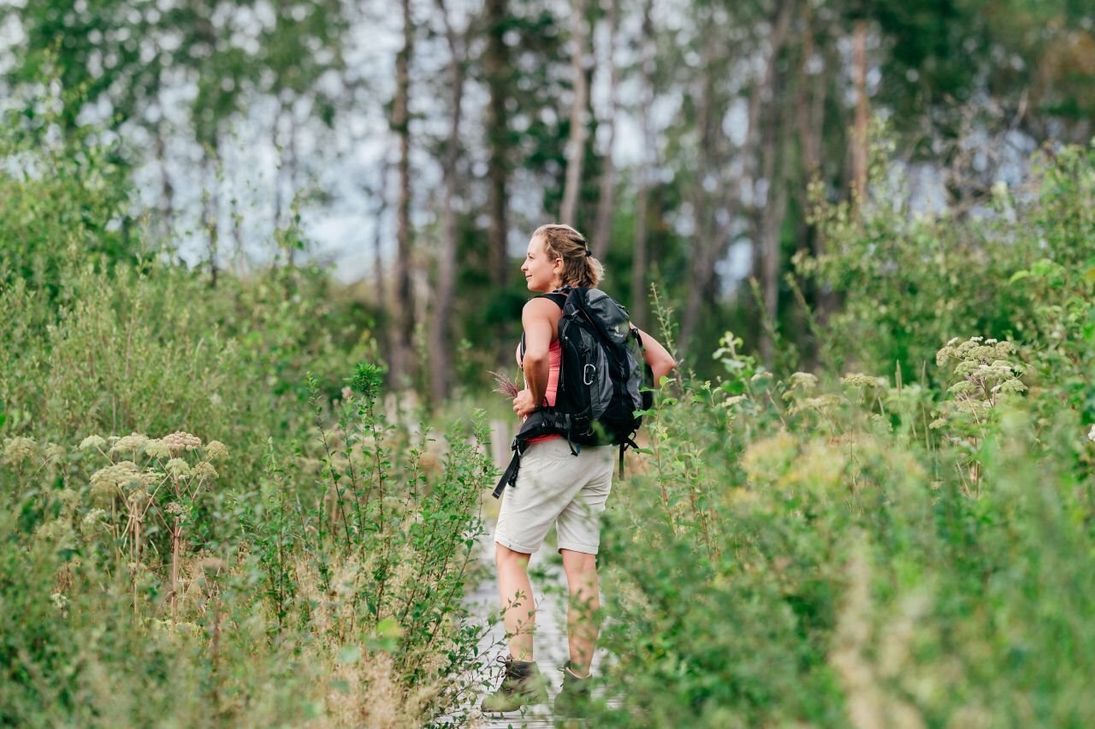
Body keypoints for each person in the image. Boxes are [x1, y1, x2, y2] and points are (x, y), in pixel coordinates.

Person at [482, 224, 676, 716]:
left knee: (509, 556)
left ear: (558, 264)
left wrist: (535, 393)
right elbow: (665, 363)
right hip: (599, 455)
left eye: (531, 257)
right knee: (582, 570)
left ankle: (521, 676)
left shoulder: (540, 307)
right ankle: (580, 689)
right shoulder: (610, 313)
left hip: (554, 448)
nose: (525, 266)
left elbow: (537, 355)